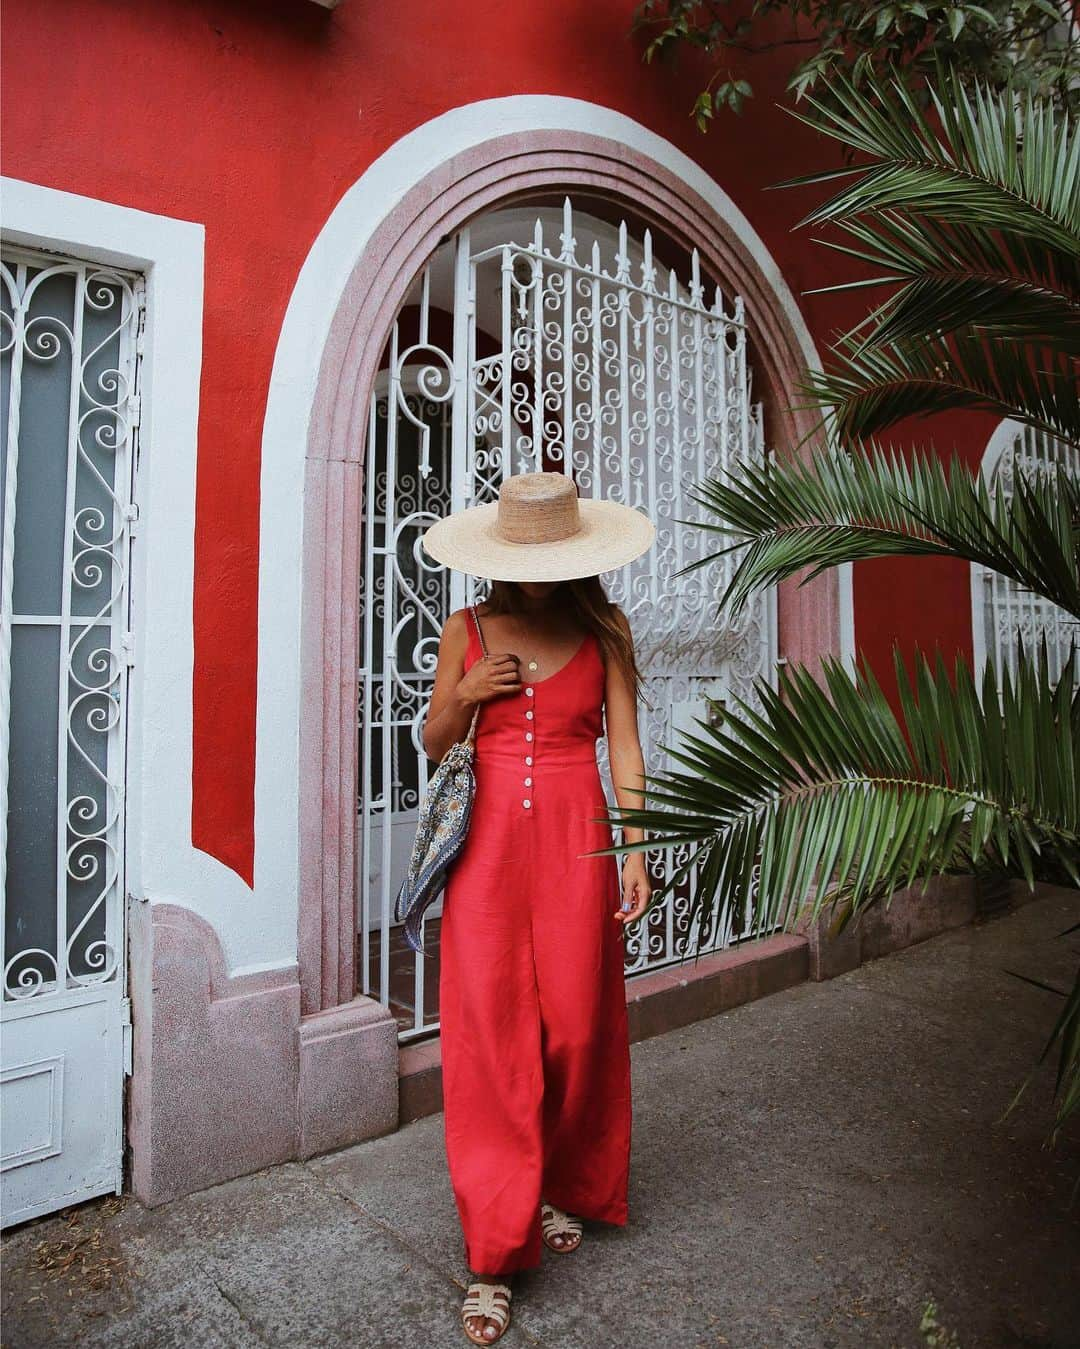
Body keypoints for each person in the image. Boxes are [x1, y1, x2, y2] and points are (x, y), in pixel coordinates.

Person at [419, 470, 657, 1344]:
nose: (540, 573)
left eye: (555, 557)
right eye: (527, 558)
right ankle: (494, 1254)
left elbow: (625, 744)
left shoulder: (606, 628)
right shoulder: (467, 629)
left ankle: (558, 1179)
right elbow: (434, 738)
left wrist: (635, 847)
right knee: (491, 1037)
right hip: (484, 855)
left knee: (576, 1025)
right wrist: (468, 693)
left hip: (575, 838)